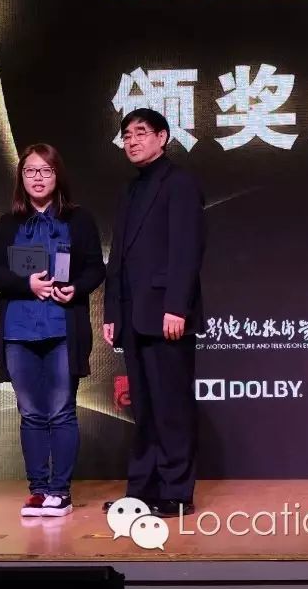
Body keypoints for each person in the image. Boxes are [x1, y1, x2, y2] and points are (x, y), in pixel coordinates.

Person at [0, 144, 105, 517]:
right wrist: (26, 284)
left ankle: (59, 492)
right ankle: (37, 490)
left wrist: (76, 288)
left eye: (45, 170)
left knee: (62, 410)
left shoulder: (79, 220)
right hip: (18, 331)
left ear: (57, 176)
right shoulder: (9, 223)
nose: (37, 177)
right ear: (21, 177)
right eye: (30, 171)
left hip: (63, 328)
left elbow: (95, 268)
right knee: (31, 412)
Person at [102, 108, 206, 517]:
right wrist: (112, 311)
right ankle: (142, 490)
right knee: (143, 409)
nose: (132, 141)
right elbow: (118, 258)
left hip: (166, 315)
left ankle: (177, 492)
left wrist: (177, 306)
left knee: (171, 407)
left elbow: (186, 250)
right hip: (132, 316)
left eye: (141, 133)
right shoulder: (130, 189)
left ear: (163, 137)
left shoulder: (180, 183)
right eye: (126, 135)